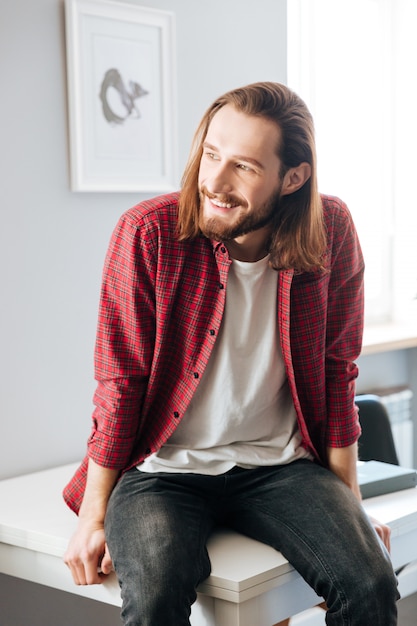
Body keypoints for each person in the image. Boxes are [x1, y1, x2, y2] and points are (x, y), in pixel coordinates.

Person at [63, 82, 399, 625]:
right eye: (211, 155)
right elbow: (120, 382)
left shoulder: (330, 230)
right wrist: (92, 515)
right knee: (153, 598)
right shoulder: (148, 234)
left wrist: (350, 509)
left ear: (293, 178)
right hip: (161, 470)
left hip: (282, 466)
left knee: (370, 582)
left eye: (242, 167)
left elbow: (339, 374)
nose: (214, 182)